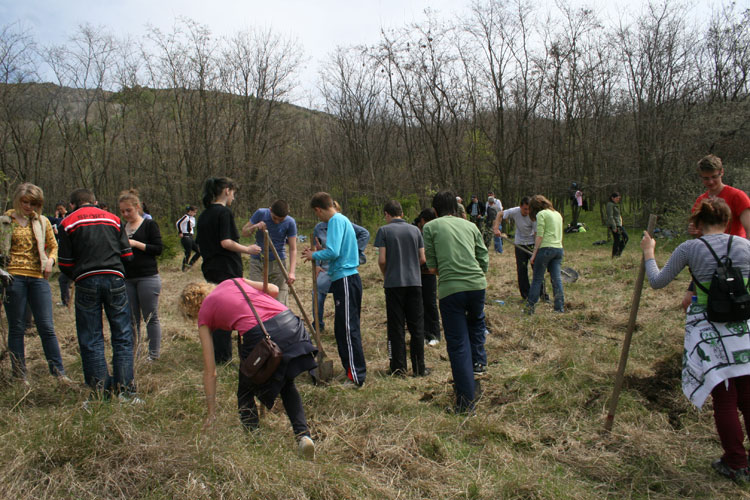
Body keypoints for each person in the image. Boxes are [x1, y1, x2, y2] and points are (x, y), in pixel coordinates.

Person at [641, 197, 750, 483]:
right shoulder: (746, 247)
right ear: (728, 221)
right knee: (749, 397)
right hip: (744, 329)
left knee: (725, 399)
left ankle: (736, 463)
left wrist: (649, 253)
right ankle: (738, 461)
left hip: (709, 331)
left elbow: (657, 281)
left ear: (698, 223)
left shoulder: (690, 248)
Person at [180, 279, 317, 459]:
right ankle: (303, 437)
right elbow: (275, 290)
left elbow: (210, 371)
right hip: (291, 323)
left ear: (191, 310)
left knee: (245, 393)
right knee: (286, 383)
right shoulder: (233, 282)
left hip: (262, 336)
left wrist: (211, 412)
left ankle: (255, 447)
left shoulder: (204, 315)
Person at [58, 188, 138, 398]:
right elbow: (127, 255)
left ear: (73, 205)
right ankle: (126, 392)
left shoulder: (67, 222)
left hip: (85, 280)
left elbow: (64, 263)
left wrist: (78, 274)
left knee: (91, 338)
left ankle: (100, 393)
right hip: (115, 278)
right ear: (94, 201)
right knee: (122, 335)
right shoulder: (113, 219)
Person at [423, 191, 488, 413]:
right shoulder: (470, 226)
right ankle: (479, 364)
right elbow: (483, 256)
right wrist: (480, 273)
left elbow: (431, 267)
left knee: (458, 345)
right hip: (477, 285)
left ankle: (465, 403)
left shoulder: (430, 227)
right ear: (457, 208)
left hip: (451, 291)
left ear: (434, 211)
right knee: (477, 325)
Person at [0, 183, 69, 382]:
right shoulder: (5, 221)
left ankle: (59, 374)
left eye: (33, 203)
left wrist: (51, 261)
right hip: (13, 277)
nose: (28, 206)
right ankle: (19, 375)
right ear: (17, 200)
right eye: (25, 202)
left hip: (38, 277)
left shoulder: (42, 221)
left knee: (46, 326)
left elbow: (54, 246)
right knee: (17, 327)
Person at [302, 192, 366, 387]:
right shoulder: (339, 220)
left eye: (317, 214)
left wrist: (315, 255)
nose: (318, 218)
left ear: (318, 209)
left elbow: (334, 251)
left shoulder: (336, 220)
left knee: (348, 328)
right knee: (340, 330)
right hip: (340, 279)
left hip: (347, 279)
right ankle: (349, 371)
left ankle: (357, 376)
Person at [196, 177, 261, 364]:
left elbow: (200, 245)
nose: (234, 197)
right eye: (233, 193)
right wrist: (248, 250)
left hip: (210, 268)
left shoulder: (204, 215)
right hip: (226, 270)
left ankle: (218, 354)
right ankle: (223, 357)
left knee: (215, 310)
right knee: (226, 311)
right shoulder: (223, 213)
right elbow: (226, 242)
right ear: (226, 191)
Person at [682, 154, 750, 310]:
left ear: (722, 173)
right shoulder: (701, 200)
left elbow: (749, 229)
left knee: (736, 304)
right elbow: (698, 232)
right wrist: (694, 231)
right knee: (688, 302)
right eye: (706, 178)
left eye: (714, 177)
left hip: (734, 260)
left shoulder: (737, 196)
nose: (710, 182)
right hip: (708, 260)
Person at [374, 200, 427, 377]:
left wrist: (386, 273)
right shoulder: (415, 230)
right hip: (414, 282)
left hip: (394, 284)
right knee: (417, 327)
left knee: (396, 327)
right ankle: (420, 368)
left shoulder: (384, 231)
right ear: (402, 214)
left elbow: (382, 260)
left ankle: (398, 368)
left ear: (387, 214)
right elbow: (422, 258)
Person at [119, 189, 163, 361]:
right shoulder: (122, 228)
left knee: (150, 316)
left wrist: (136, 244)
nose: (125, 214)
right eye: (122, 211)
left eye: (128, 210)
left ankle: (154, 354)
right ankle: (133, 353)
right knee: (130, 318)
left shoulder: (149, 225)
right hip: (127, 278)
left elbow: (157, 249)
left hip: (147, 277)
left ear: (137, 207)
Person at [311, 201, 369, 332]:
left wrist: (354, 253)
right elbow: (316, 247)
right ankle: (318, 325)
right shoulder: (319, 227)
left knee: (344, 305)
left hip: (342, 269)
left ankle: (348, 329)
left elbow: (364, 234)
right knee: (318, 292)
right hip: (327, 267)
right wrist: (317, 263)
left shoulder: (339, 221)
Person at [241, 200, 298, 306]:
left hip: (278, 262)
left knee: (279, 300)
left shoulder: (290, 222)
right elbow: (244, 232)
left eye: (281, 220)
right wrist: (255, 226)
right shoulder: (261, 213)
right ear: (270, 210)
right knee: (257, 297)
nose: (277, 222)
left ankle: (279, 321)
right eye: (275, 218)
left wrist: (292, 272)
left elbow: (293, 248)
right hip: (258, 261)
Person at [494, 197, 547, 301]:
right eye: (525, 209)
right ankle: (526, 296)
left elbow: (537, 234)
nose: (527, 212)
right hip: (519, 244)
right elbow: (500, 214)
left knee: (537, 270)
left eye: (528, 209)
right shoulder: (515, 211)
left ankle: (543, 295)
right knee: (521, 270)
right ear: (520, 207)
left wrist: (536, 251)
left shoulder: (534, 216)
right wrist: (496, 228)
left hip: (532, 244)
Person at [526, 195, 564, 314]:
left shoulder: (541, 214)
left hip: (545, 249)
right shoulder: (557, 214)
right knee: (557, 280)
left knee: (537, 279)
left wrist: (534, 254)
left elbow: (540, 235)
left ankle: (530, 308)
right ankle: (559, 308)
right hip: (558, 249)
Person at [415, 208, 441, 346]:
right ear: (423, 221)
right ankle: (424, 334)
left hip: (429, 273)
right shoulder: (414, 231)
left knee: (430, 304)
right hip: (416, 273)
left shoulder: (432, 231)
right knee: (419, 305)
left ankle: (435, 334)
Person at [47, 201, 72, 307]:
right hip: (63, 250)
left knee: (63, 279)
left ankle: (66, 301)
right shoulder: (57, 219)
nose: (60, 210)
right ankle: (65, 301)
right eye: (58, 209)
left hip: (72, 255)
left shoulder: (70, 216)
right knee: (63, 279)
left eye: (61, 208)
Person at [176, 205, 201, 272]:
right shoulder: (186, 217)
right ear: (190, 211)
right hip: (185, 236)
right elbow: (178, 223)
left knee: (199, 251)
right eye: (194, 212)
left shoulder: (192, 218)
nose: (195, 214)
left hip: (190, 237)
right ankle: (184, 267)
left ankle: (190, 264)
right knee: (188, 252)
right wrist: (180, 232)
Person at [606, 192, 628, 258]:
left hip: (619, 224)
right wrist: (614, 226)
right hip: (615, 225)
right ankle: (616, 254)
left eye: (619, 198)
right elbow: (610, 216)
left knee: (620, 239)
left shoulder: (615, 205)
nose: (618, 199)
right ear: (612, 198)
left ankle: (616, 254)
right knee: (623, 238)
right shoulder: (610, 205)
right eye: (617, 198)